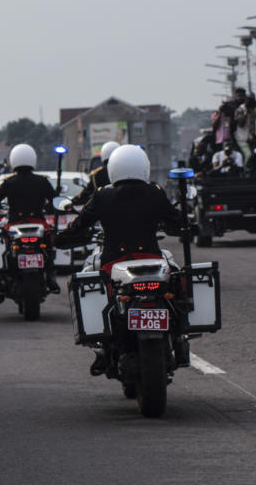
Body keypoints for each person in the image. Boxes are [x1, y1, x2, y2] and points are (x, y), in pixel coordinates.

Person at [55, 144, 185, 373]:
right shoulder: (154, 191)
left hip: (113, 262)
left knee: (88, 282)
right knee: (177, 276)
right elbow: (177, 221)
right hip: (152, 259)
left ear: (113, 168)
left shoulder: (103, 194)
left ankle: (102, 347)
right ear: (144, 167)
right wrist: (183, 226)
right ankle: (180, 334)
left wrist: (62, 238)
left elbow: (80, 225)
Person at [0, 143, 58, 298]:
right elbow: (55, 200)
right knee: (49, 249)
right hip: (39, 223)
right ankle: (50, 275)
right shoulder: (42, 181)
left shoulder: (9, 182)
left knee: (7, 251)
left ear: (13, 160)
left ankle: (4, 280)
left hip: (15, 224)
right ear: (33, 159)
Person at [71, 140, 118, 205]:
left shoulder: (97, 174)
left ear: (103, 154)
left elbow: (87, 193)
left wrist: (73, 201)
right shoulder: (127, 171)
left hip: (105, 209)